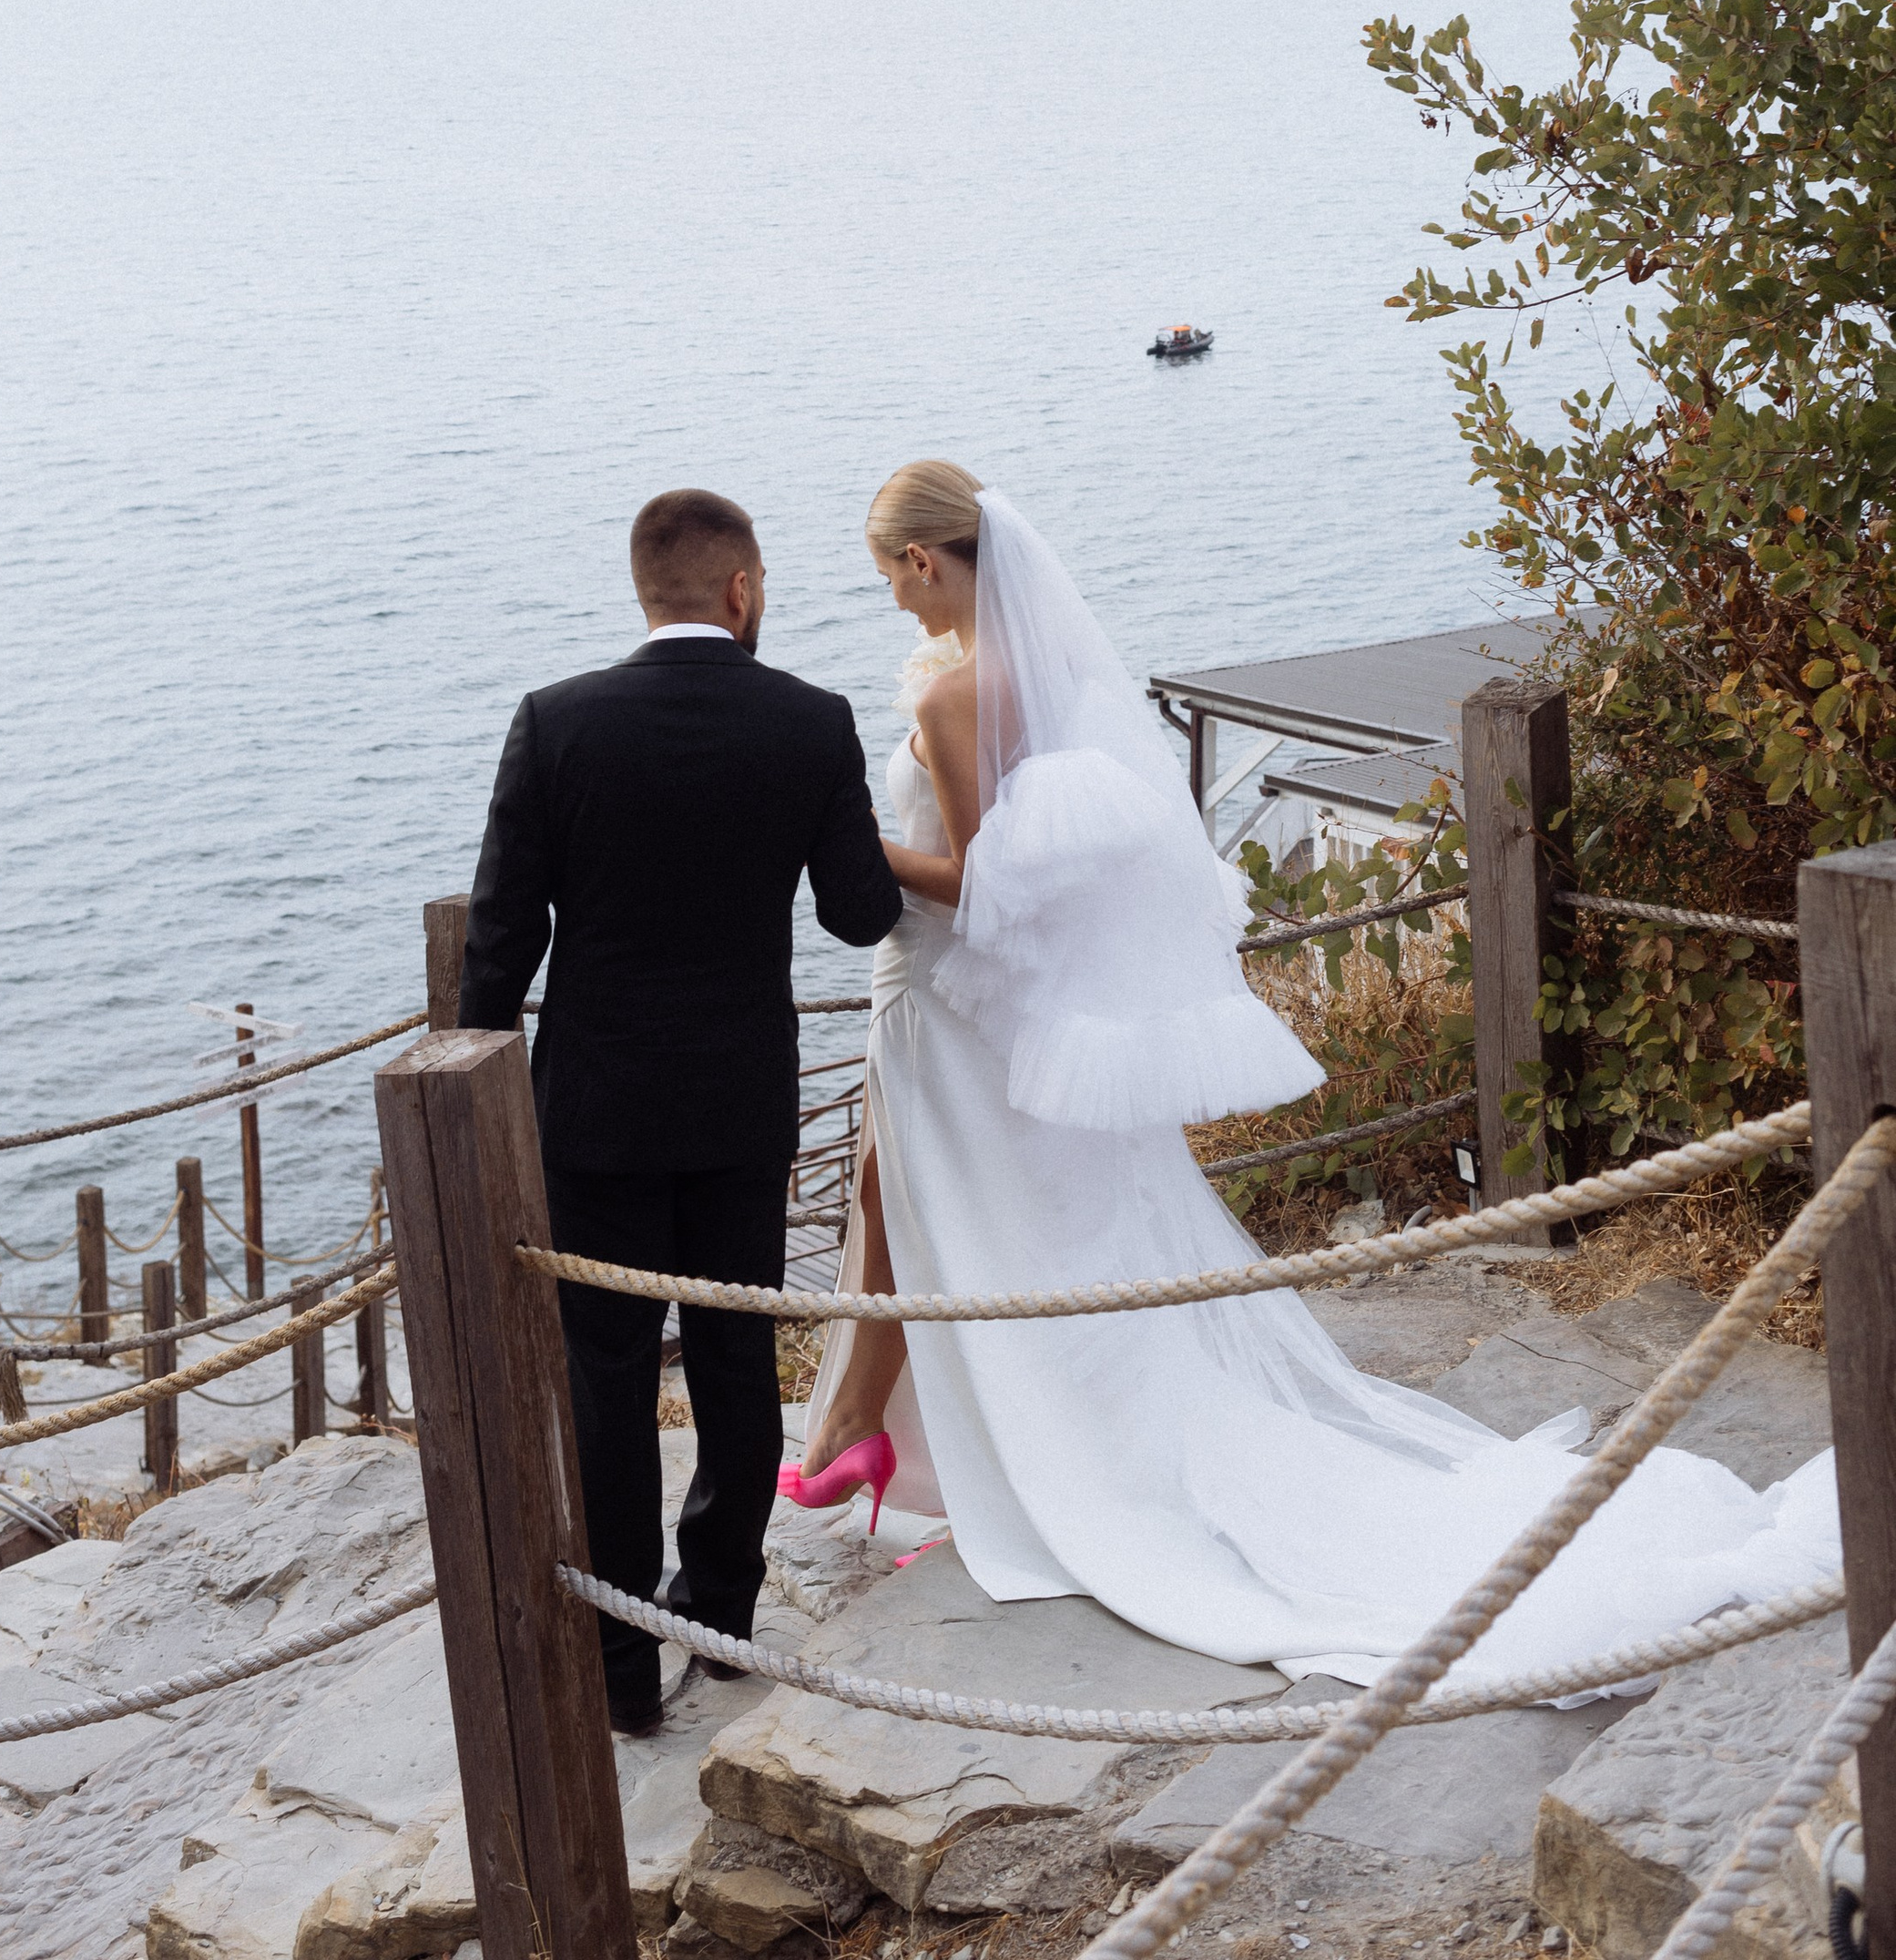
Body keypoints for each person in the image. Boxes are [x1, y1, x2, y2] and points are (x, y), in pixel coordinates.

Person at [786, 463, 1840, 1687]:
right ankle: (866, 1432)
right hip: (987, 1010)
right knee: (912, 1201)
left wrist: (860, 845)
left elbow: (982, 881)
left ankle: (931, 1445)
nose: (895, 607)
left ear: (924, 561)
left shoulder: (958, 696)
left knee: (947, 1217)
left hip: (949, 994)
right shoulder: (1053, 680)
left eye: (890, 580)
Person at [459, 485, 902, 1735]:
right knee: (731, 1358)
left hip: (593, 1113)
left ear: (647, 591)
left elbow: (500, 947)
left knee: (603, 1379)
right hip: (738, 1108)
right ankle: (720, 1614)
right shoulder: (811, 722)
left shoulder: (555, 724)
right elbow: (860, 913)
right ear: (743, 590)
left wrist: (482, 1115)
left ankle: (617, 1667)